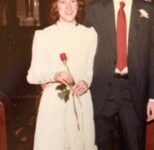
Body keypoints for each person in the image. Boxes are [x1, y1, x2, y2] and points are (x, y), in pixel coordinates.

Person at [84, 0, 154, 149]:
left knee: (134, 145)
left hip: (134, 92)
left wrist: (153, 97)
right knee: (100, 145)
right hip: (101, 91)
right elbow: (83, 49)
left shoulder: (149, 10)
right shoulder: (94, 10)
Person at [27, 0, 97, 149]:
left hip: (81, 99)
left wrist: (85, 82)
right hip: (53, 103)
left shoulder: (89, 34)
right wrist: (54, 75)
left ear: (79, 5)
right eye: (63, 2)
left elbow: (89, 71)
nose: (69, 7)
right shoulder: (43, 35)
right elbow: (32, 75)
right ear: (55, 7)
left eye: (73, 1)